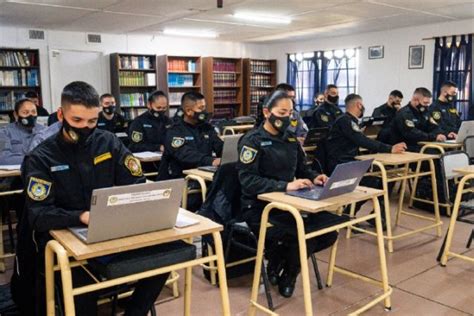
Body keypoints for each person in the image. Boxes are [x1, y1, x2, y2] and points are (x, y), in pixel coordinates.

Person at [12, 81, 169, 316]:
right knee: (81, 282)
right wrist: (82, 216)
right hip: (66, 234)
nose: (85, 127)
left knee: (165, 256)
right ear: (61, 114)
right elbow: (39, 215)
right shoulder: (41, 157)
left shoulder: (108, 142)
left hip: (110, 226)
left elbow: (135, 181)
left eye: (92, 121)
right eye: (77, 121)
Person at [237, 90, 338, 298]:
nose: (287, 118)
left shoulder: (291, 139)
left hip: (291, 205)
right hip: (259, 208)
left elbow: (303, 170)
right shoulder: (252, 140)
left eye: (291, 113)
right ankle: (289, 274)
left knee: (329, 232)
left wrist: (316, 176)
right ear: (267, 112)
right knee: (299, 236)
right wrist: (285, 186)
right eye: (282, 112)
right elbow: (248, 180)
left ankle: (281, 266)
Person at [326, 94, 406, 226]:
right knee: (373, 181)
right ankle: (348, 215)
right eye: (362, 105)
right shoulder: (345, 121)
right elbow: (360, 140)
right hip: (342, 164)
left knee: (386, 177)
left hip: (351, 161)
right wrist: (389, 148)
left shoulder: (350, 121)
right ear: (358, 105)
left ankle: (378, 215)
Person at [159, 91, 223, 180]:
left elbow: (219, 146)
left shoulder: (207, 128)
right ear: (188, 111)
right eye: (200, 108)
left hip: (202, 175)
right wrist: (211, 161)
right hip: (180, 179)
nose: (204, 111)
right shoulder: (174, 131)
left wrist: (227, 156)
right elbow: (185, 154)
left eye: (204, 107)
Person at [389, 87, 446, 152]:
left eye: (428, 103)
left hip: (421, 144)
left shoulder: (424, 112)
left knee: (443, 149)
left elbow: (433, 126)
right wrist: (433, 137)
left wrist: (440, 134)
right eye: (425, 103)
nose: (427, 105)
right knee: (433, 152)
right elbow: (412, 133)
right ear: (415, 100)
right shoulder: (404, 113)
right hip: (406, 147)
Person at [0, 98, 45, 164]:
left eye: (33, 112)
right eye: (25, 112)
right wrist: (35, 159)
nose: (31, 116)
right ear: (16, 115)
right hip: (15, 173)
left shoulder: (45, 130)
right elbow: (2, 158)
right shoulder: (3, 132)